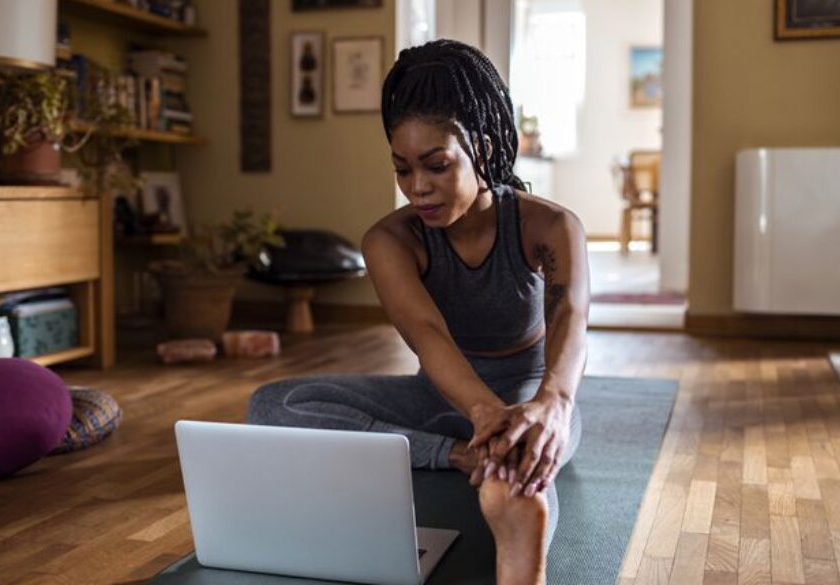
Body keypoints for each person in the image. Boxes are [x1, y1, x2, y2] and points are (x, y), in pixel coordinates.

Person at [247, 38, 589, 585]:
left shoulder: (548, 226)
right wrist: (481, 421)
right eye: (402, 170)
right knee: (272, 404)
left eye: (436, 165)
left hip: (526, 396)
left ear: (479, 144)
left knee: (520, 468)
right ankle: (460, 456)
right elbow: (428, 337)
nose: (418, 188)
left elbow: (570, 313)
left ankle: (516, 516)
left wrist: (553, 404)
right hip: (439, 398)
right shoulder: (390, 240)